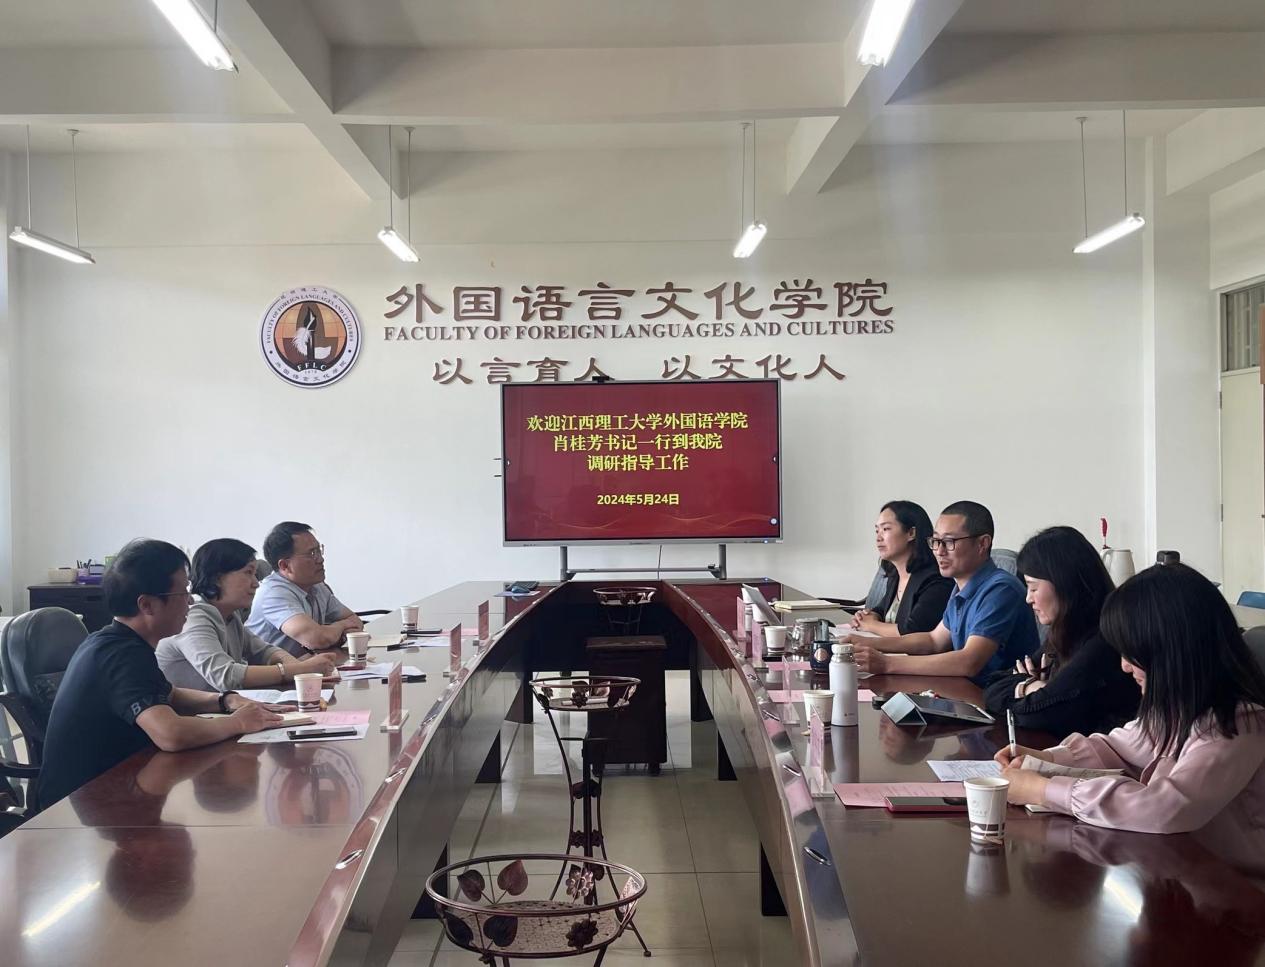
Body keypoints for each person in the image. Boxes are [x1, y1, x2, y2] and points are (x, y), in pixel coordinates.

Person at [997, 564, 1265, 875]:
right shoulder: (1176, 706)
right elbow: (1119, 747)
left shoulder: (1239, 725)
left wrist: (1043, 791)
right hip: (1183, 868)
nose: (1125, 667)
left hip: (1240, 888)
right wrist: (1046, 759)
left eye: (1132, 654)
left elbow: (1165, 807)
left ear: (1170, 651)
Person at [38, 539, 283, 808]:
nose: (190, 601)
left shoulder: (120, 642)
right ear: (147, 605)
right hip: (78, 806)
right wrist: (238, 723)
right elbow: (171, 734)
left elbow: (169, 693)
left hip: (114, 790)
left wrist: (225, 700)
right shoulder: (120, 655)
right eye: (182, 593)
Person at [847, 500, 1039, 682]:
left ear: (982, 543)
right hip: (963, 689)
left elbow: (969, 662)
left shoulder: (1000, 589)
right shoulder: (960, 587)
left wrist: (886, 663)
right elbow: (933, 640)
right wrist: (864, 643)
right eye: (936, 541)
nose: (939, 551)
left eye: (949, 542)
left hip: (995, 699)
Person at [983, 526, 1140, 737]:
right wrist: (1029, 686)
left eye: (1033, 588)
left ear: (1064, 583)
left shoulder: (1103, 641)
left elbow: (1039, 714)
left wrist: (1030, 690)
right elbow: (992, 686)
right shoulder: (1065, 631)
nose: (1028, 598)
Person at [157, 538, 336, 691]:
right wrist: (299, 670)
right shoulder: (194, 615)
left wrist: (299, 667)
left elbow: (264, 651)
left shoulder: (229, 615)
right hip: (190, 716)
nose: (256, 583)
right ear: (218, 578)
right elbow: (225, 676)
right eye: (248, 573)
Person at [246, 522, 363, 657]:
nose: (320, 559)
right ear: (285, 565)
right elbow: (317, 639)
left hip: (306, 664)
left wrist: (335, 634)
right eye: (312, 553)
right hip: (273, 669)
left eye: (319, 550)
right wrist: (341, 626)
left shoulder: (315, 585)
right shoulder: (273, 594)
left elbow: (353, 620)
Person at [849, 500, 953, 637]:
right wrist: (866, 616)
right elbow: (880, 610)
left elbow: (912, 631)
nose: (878, 538)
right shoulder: (895, 575)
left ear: (911, 533)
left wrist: (870, 625)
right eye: (877, 530)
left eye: (886, 529)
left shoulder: (936, 580)